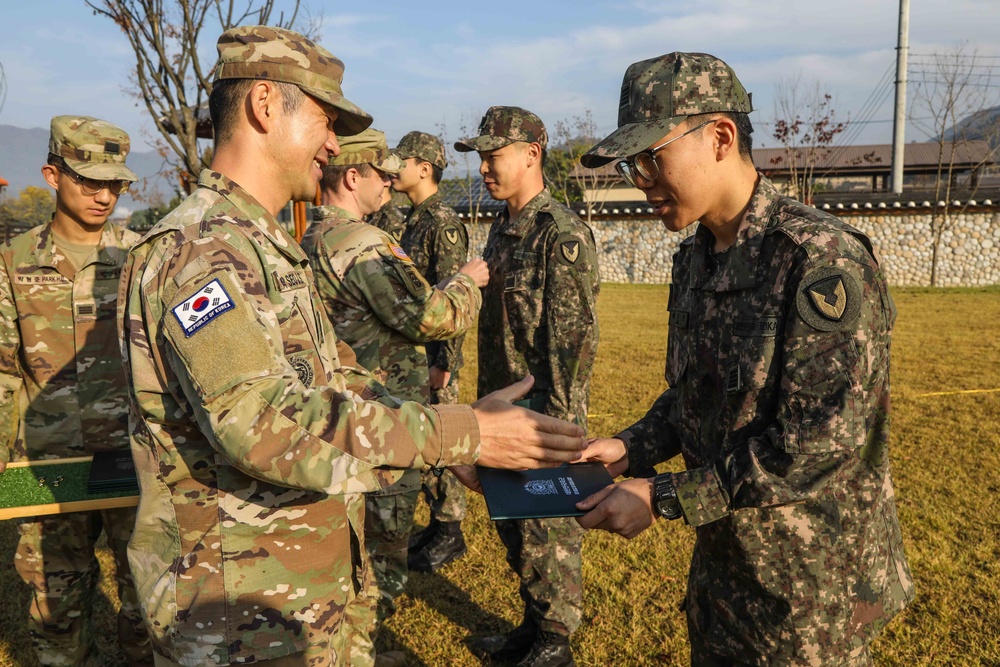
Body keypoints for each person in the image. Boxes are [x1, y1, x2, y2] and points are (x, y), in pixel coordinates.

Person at [117, 26, 585, 667]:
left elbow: (332, 376)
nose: (335, 145)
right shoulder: (203, 250)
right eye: (325, 119)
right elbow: (258, 422)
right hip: (238, 619)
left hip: (291, 602)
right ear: (263, 105)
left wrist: (447, 442)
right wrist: (457, 435)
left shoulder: (264, 245)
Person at [575, 52, 915, 667]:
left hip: (811, 593)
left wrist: (663, 496)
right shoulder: (695, 259)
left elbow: (816, 444)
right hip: (727, 575)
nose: (641, 179)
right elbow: (695, 396)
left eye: (652, 158)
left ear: (721, 138)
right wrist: (632, 447)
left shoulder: (820, 261)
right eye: (632, 163)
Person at [299, 127, 488, 665]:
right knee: (379, 561)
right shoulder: (363, 243)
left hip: (341, 418)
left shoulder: (311, 238)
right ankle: (363, 652)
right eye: (380, 174)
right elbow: (433, 315)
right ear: (352, 176)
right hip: (386, 418)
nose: (388, 183)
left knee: (345, 550)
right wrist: (469, 281)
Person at [0, 116, 152, 666]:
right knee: (55, 609)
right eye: (89, 180)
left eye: (114, 183)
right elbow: (3, 373)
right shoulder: (12, 262)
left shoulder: (143, 257)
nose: (103, 195)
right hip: (46, 463)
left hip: (132, 457)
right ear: (51, 174)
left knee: (150, 605)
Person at [456, 106, 600, 667]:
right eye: (482, 156)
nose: (486, 166)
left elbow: (572, 344)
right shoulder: (502, 231)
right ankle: (534, 623)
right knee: (512, 525)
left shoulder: (558, 234)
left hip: (542, 416)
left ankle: (556, 640)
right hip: (499, 409)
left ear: (532, 153)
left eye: (495, 154)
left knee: (547, 530)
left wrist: (559, 433)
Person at [390, 130, 476, 573]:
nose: (393, 168)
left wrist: (445, 363)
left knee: (444, 441)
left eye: (400, 161)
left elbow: (454, 303)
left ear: (424, 168)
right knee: (424, 440)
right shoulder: (415, 218)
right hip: (416, 356)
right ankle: (437, 521)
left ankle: (450, 528)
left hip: (435, 360)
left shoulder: (441, 223)